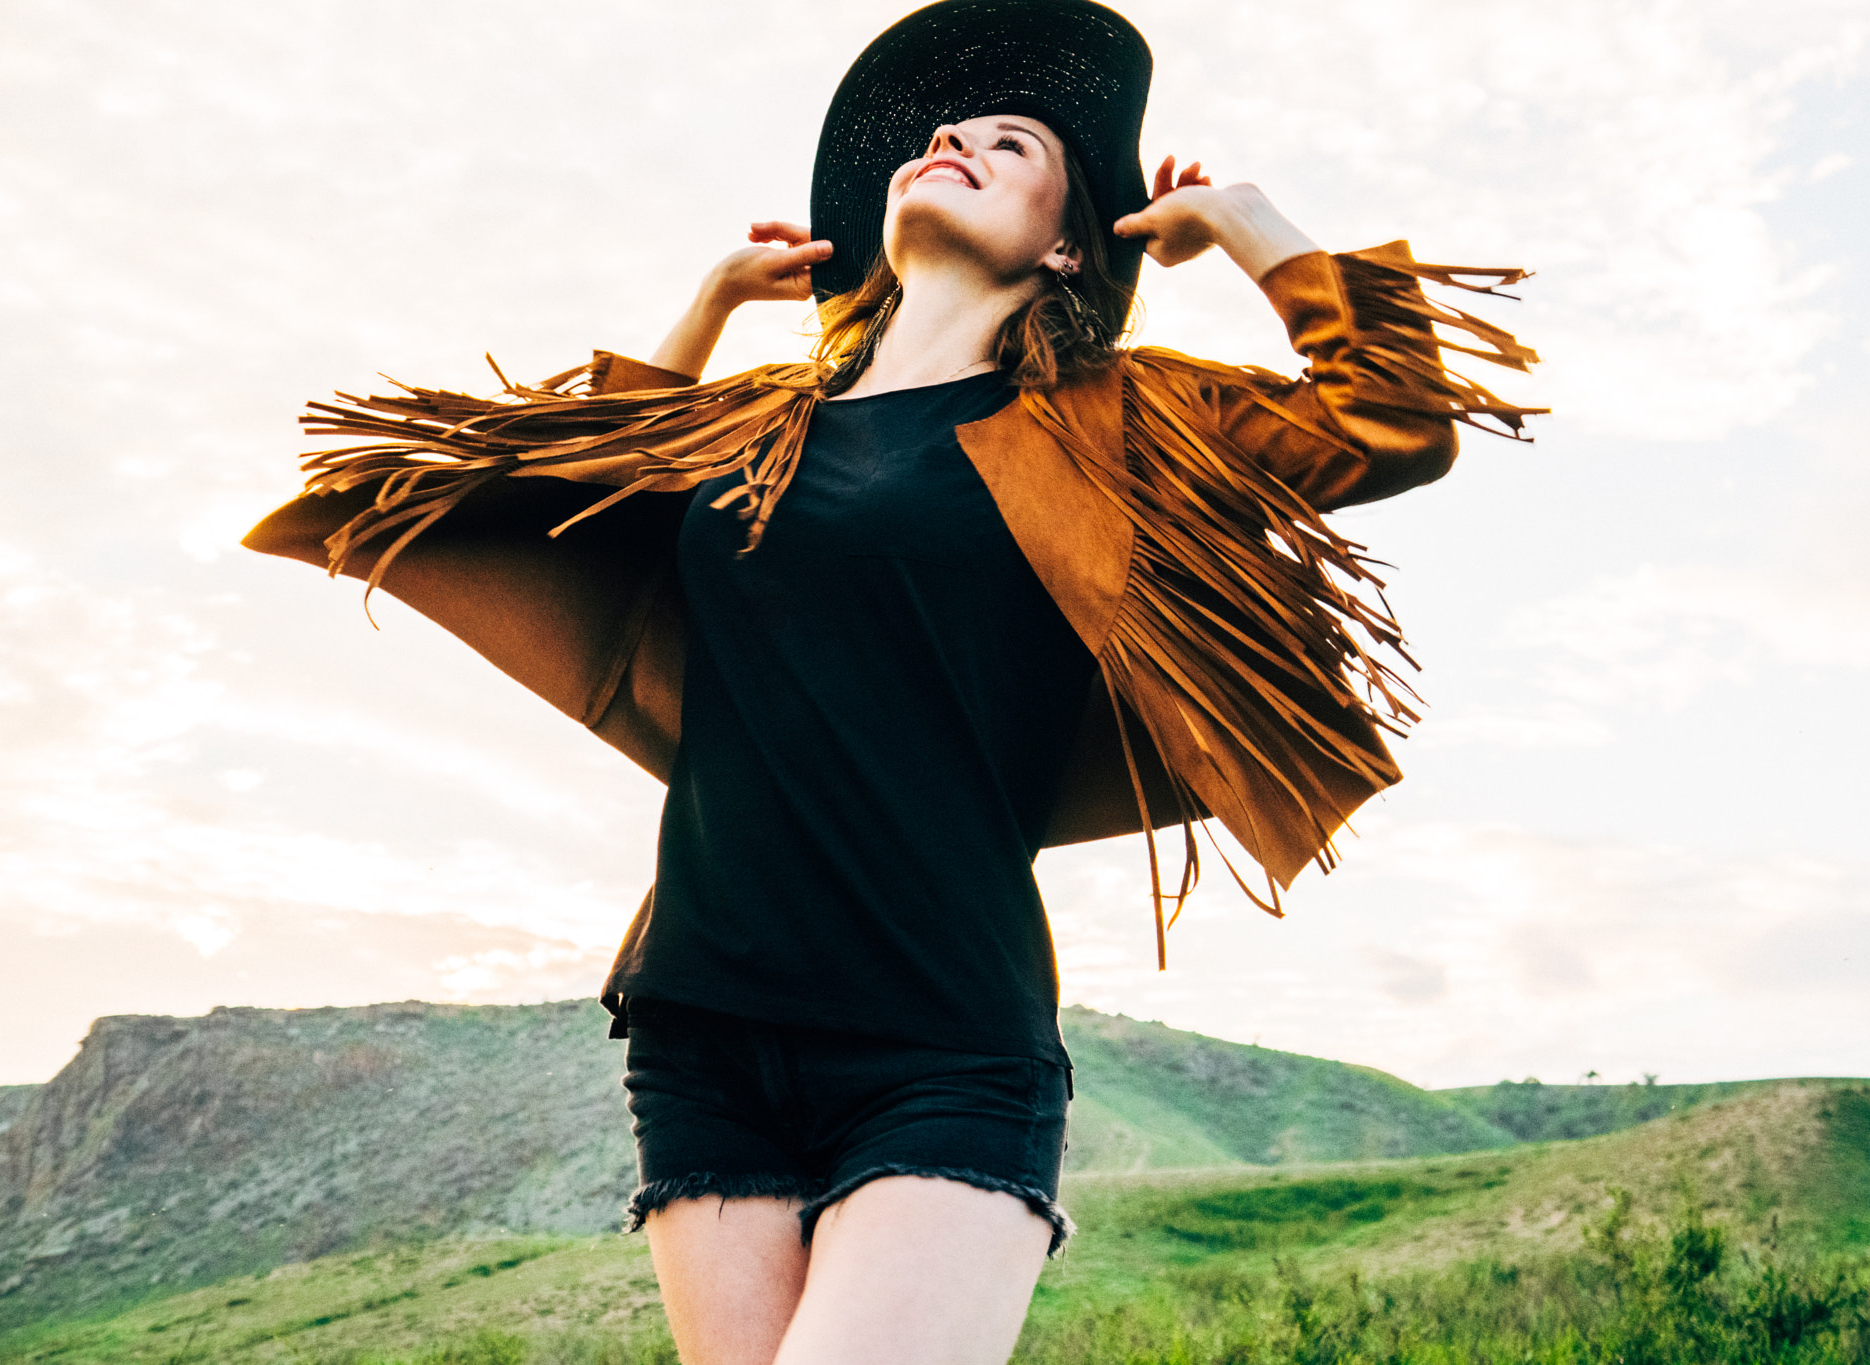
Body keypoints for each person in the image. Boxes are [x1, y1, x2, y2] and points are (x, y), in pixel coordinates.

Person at [245, 3, 1539, 1361]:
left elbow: (1391, 419)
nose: (953, 141)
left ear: (1065, 240)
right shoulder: (757, 425)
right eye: (940, 132)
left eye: (1011, 139)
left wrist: (1251, 223)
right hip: (703, 1028)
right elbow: (581, 489)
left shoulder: (1119, 421)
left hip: (942, 1035)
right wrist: (701, 310)